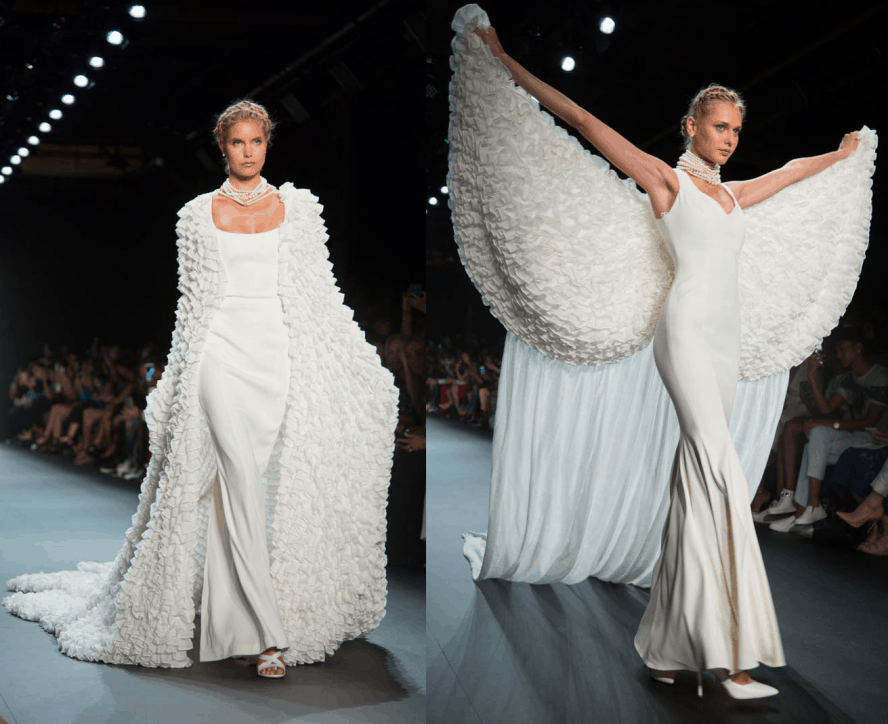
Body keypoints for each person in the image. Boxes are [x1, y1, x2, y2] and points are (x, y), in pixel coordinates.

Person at [471, 19, 864, 700]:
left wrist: (841, 154)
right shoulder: (666, 182)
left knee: (695, 488)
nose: (729, 140)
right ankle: (730, 657)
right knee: (717, 471)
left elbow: (793, 170)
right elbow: (583, 119)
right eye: (719, 128)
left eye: (737, 131)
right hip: (683, 334)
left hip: (724, 342)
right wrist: (505, 61)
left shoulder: (734, 196)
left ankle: (666, 649)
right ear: (690, 126)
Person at [4, 100, 399, 679]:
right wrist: (178, 378)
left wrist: (351, 364)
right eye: (238, 143)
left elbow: (318, 294)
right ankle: (266, 638)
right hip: (218, 351)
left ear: (267, 144)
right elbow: (191, 305)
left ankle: (229, 620)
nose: (248, 151)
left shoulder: (298, 209)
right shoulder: (195, 215)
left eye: (256, 142)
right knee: (237, 476)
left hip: (277, 354)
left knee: (251, 486)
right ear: (223, 147)